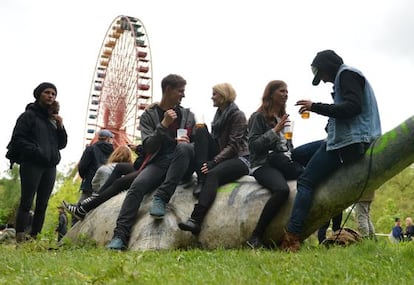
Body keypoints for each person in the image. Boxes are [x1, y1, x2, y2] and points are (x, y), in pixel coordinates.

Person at [280, 50, 382, 252]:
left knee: (306, 181)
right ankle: (312, 191)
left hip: (348, 142)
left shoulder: (346, 74)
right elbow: (346, 111)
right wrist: (330, 123)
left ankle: (292, 236)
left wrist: (314, 106)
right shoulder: (346, 77)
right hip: (340, 139)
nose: (325, 80)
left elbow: (352, 107)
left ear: (328, 67)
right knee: (297, 154)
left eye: (323, 75)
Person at [106, 74, 195, 250]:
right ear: (168, 90)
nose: (183, 95)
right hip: (160, 161)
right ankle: (120, 236)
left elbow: (196, 143)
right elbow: (149, 146)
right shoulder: (148, 116)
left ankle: (161, 197)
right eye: (180, 91)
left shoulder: (188, 115)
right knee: (137, 186)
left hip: (182, 161)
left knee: (184, 149)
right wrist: (163, 125)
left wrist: (188, 142)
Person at [178, 82, 250, 235]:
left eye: (214, 94)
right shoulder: (219, 115)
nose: (212, 97)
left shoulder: (238, 115)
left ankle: (195, 220)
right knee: (201, 129)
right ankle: (202, 180)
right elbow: (214, 141)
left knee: (214, 174)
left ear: (223, 96)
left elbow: (233, 146)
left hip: (239, 158)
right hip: (222, 154)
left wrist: (214, 162)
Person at [245, 80, 304, 249]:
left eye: (287, 91)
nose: (285, 94)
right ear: (270, 94)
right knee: (282, 190)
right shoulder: (258, 117)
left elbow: (287, 146)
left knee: (307, 177)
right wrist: (275, 131)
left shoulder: (284, 118)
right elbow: (254, 146)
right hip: (263, 165)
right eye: (281, 91)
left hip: (283, 162)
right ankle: (256, 236)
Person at [7, 82, 67, 242]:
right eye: (47, 92)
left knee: (43, 204)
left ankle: (35, 237)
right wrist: (36, 151)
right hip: (32, 164)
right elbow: (18, 139)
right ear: (39, 94)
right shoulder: (28, 116)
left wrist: (60, 126)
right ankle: (20, 237)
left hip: (50, 166)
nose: (50, 96)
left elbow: (62, 144)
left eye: (53, 94)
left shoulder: (53, 120)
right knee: (27, 201)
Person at [62, 145, 148, 220]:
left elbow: (93, 182)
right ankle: (94, 199)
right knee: (119, 169)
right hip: (142, 167)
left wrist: (138, 148)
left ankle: (86, 206)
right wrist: (138, 148)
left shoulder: (104, 168)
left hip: (147, 168)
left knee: (118, 182)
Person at [77, 129, 114, 203]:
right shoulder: (114, 152)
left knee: (82, 206)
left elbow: (82, 166)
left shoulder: (90, 149)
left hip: (89, 183)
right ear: (108, 139)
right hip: (106, 184)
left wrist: (85, 177)